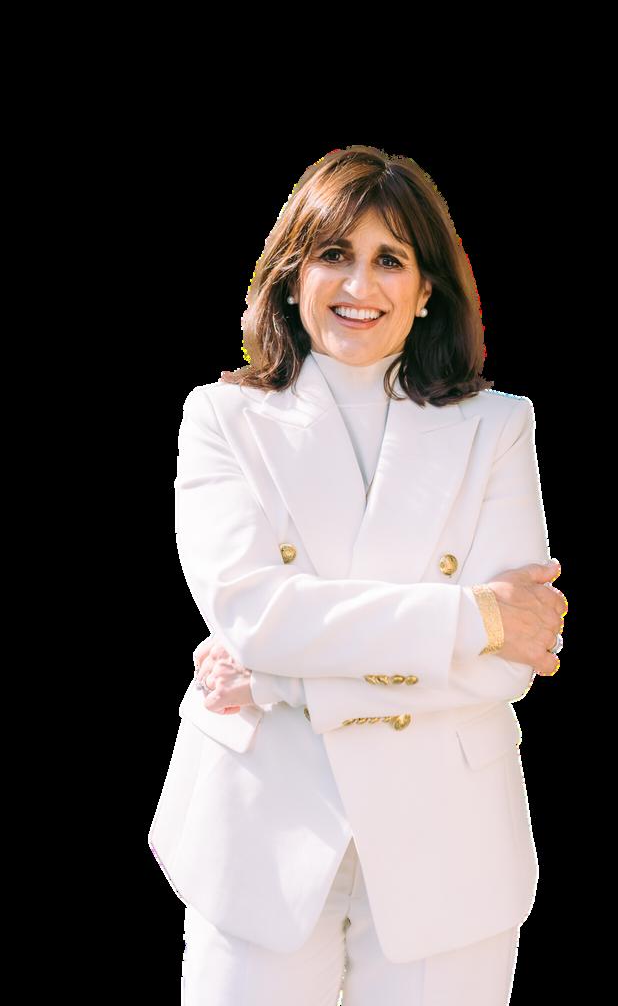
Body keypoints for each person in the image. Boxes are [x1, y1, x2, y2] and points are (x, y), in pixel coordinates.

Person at [148, 145, 568, 1005]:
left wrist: (279, 677)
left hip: (448, 844)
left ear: (427, 290)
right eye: (334, 253)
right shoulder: (223, 417)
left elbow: (511, 662)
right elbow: (254, 614)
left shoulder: (498, 428)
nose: (358, 284)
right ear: (291, 274)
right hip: (259, 834)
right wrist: (473, 616)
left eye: (390, 259)